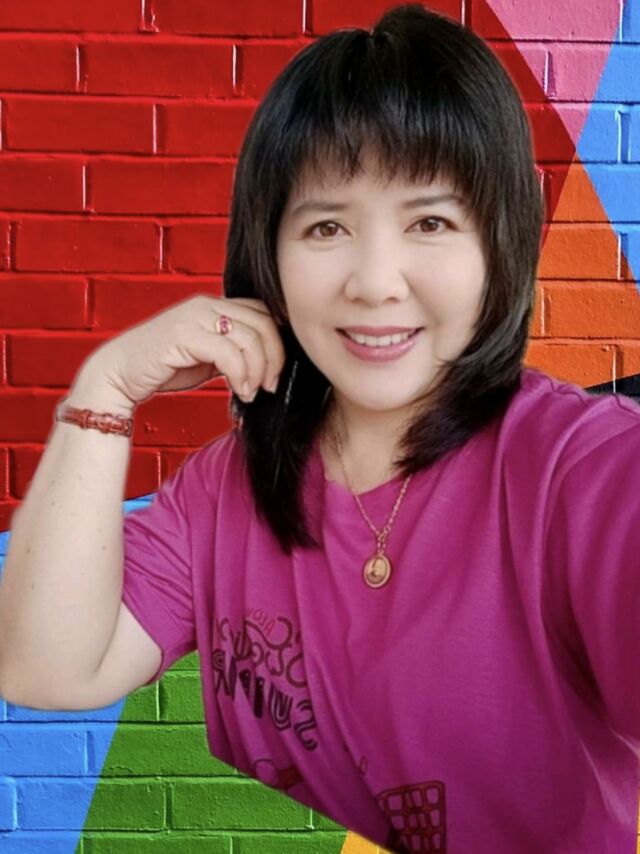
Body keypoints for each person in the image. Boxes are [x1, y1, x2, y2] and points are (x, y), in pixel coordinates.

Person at [0, 4, 639, 852]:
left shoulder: (582, 466)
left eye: (430, 222)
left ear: (500, 245)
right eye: (327, 227)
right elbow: (46, 669)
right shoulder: (223, 487)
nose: (374, 283)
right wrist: (104, 391)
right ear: (270, 252)